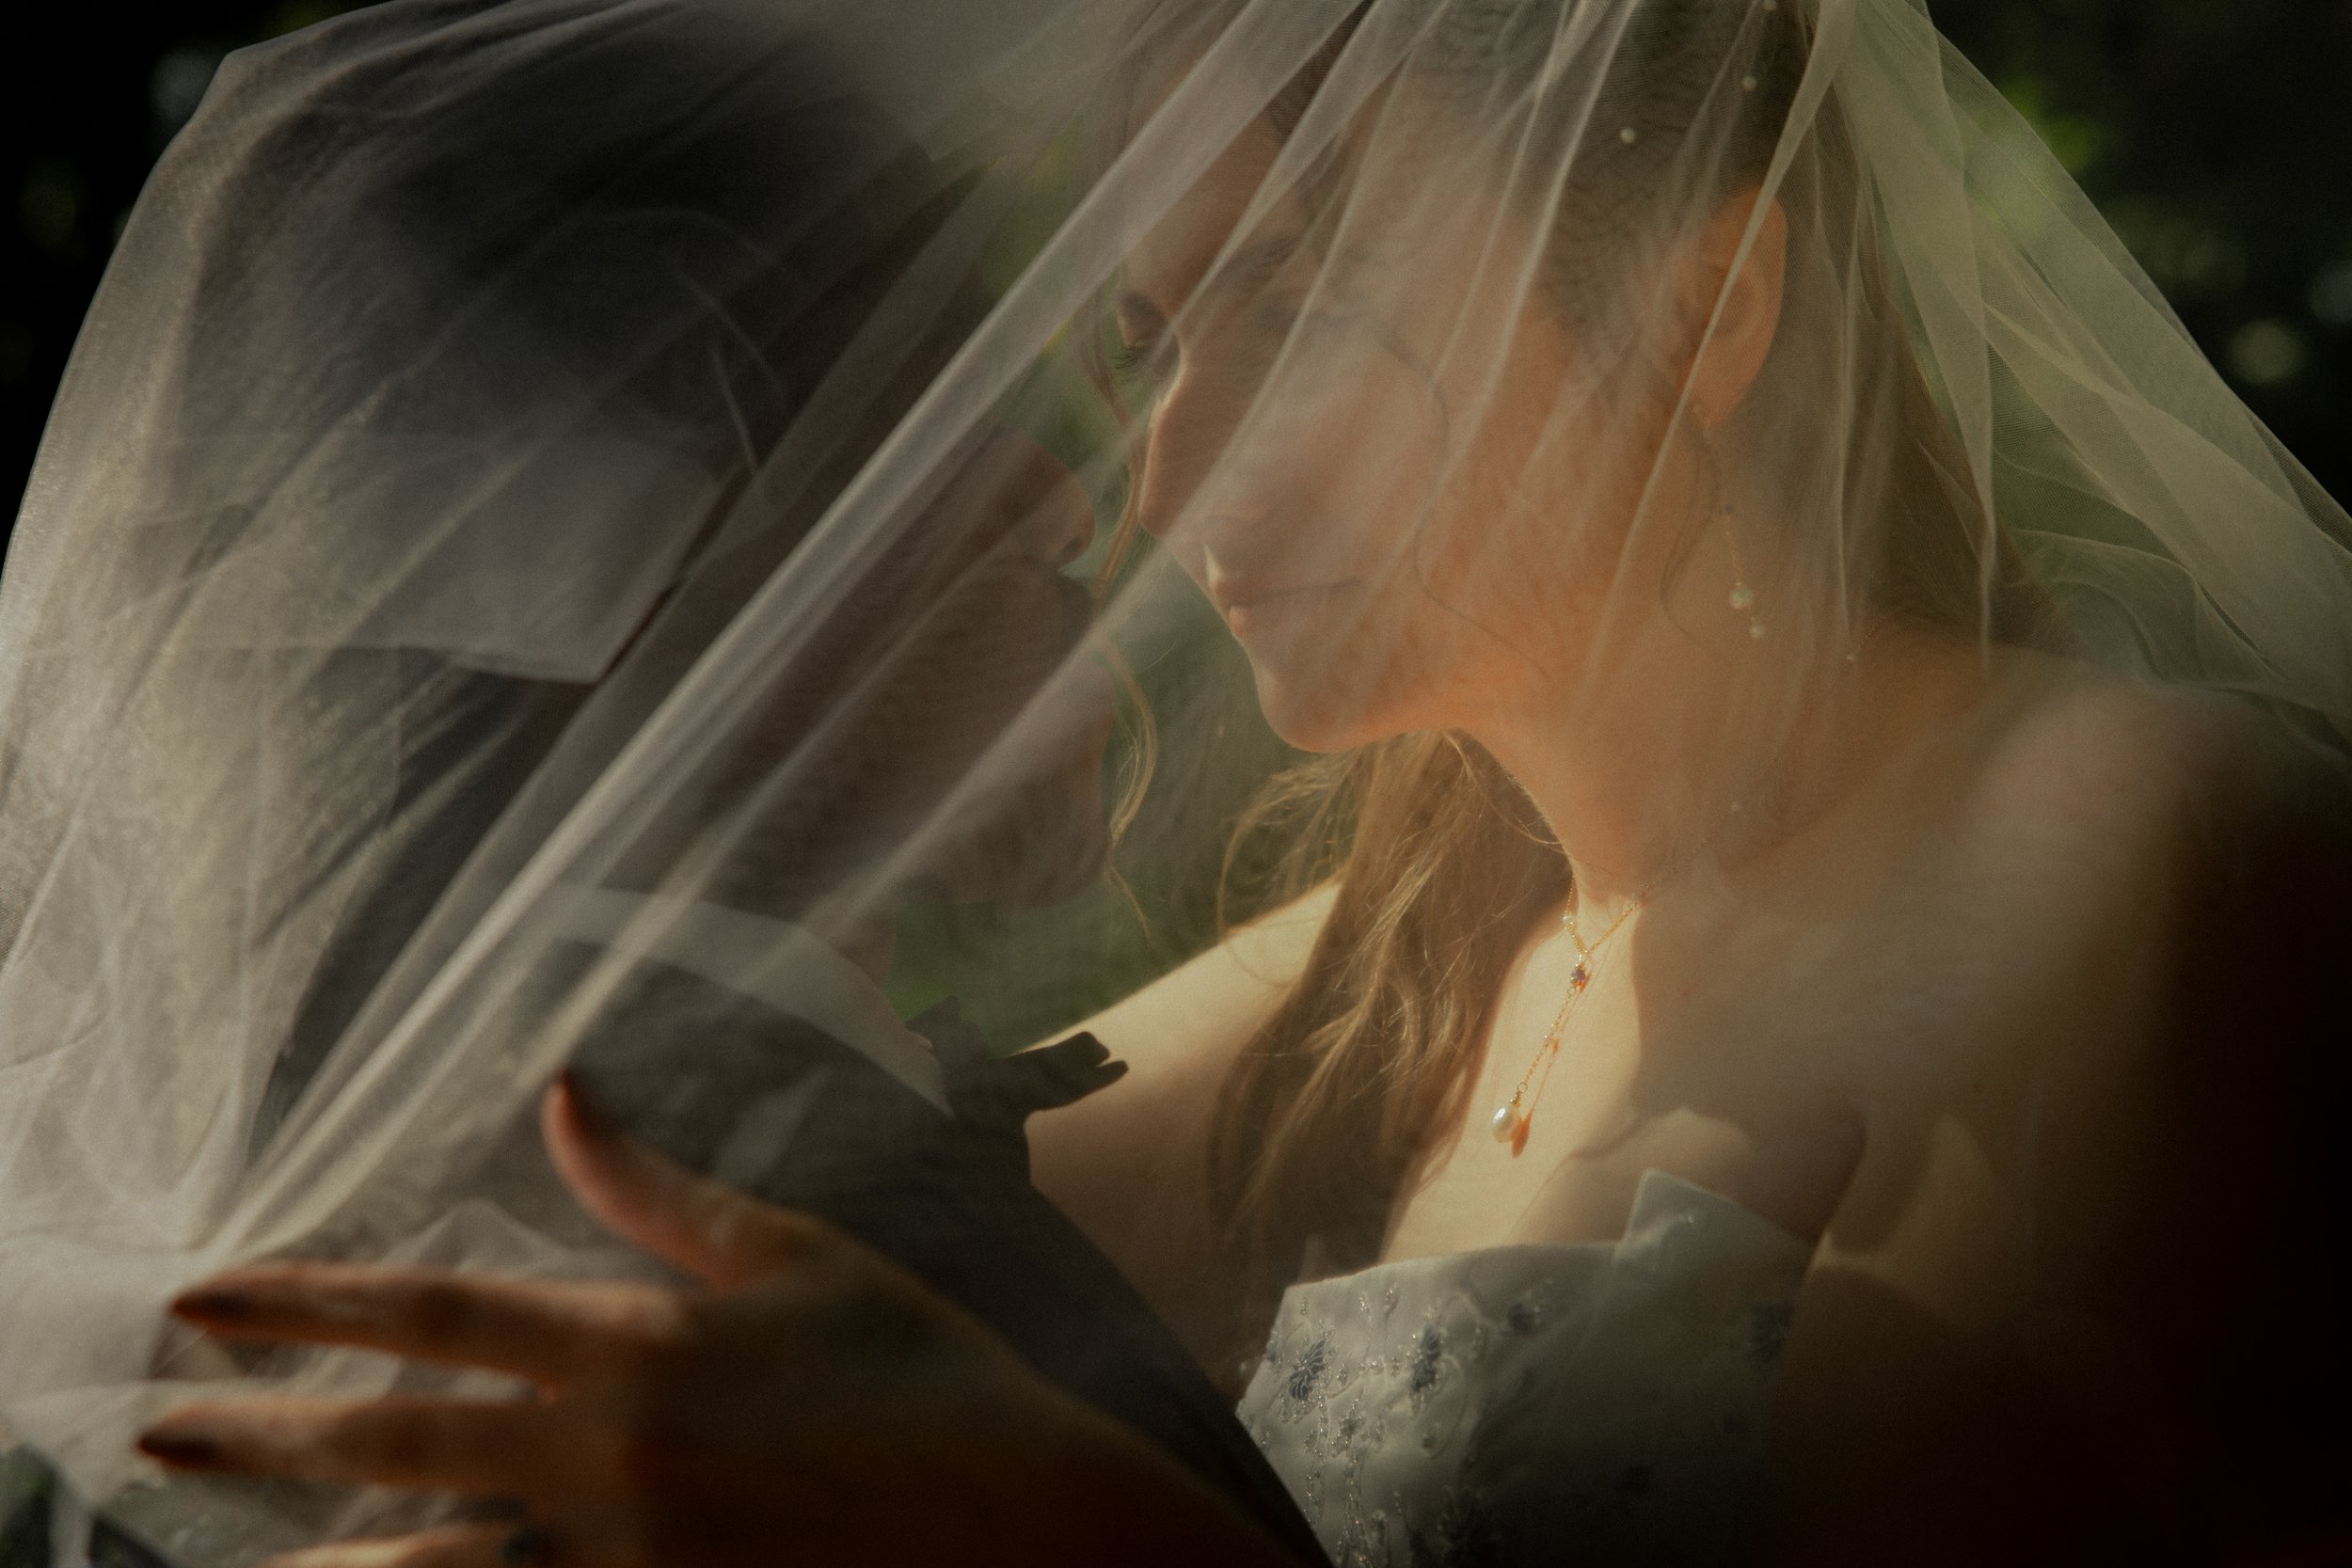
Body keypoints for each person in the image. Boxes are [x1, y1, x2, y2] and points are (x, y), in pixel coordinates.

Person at [33, 0, 2352, 1562]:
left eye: (1295, 305)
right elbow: (700, 1200)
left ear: (1701, 311)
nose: (1163, 462)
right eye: (1150, 339)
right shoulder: (1347, 989)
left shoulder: (2133, 853)